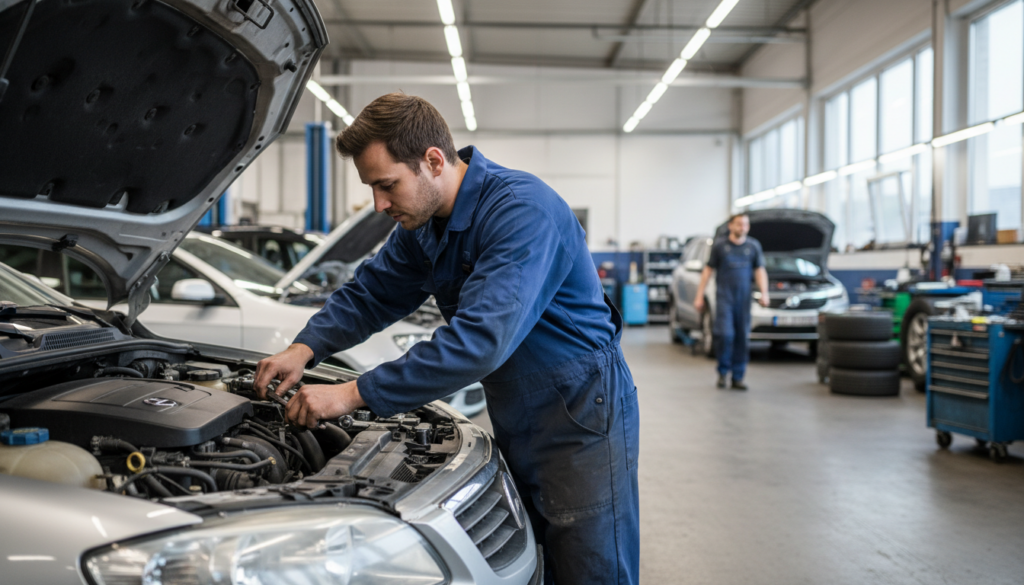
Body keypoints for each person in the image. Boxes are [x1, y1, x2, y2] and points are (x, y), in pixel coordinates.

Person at [253, 93, 639, 585]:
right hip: (519, 407)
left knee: (592, 566)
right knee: (534, 559)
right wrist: (304, 348)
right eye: (373, 188)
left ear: (433, 161)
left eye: (387, 185)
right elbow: (373, 292)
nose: (379, 204)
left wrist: (351, 394)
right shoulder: (425, 224)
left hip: (583, 414)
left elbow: (479, 341)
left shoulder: (522, 211)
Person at [693, 213, 769, 390]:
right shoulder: (720, 246)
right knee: (725, 335)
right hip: (725, 298)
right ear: (730, 226)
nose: (742, 227)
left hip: (744, 300)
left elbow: (760, 270)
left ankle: (738, 376)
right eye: (738, 224)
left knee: (742, 338)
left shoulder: (753, 246)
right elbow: (707, 271)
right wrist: (699, 295)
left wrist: (764, 293)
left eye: (745, 225)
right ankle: (722, 372)